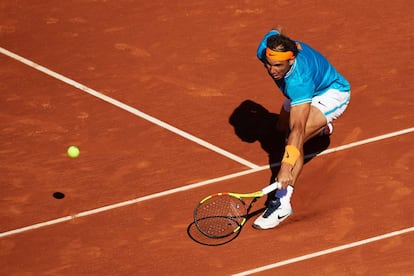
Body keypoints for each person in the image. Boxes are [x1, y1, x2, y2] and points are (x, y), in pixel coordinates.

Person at [252, 25, 351, 230]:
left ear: (291, 60)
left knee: (292, 138)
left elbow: (297, 129)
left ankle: (282, 203)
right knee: (279, 128)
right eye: (268, 64)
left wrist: (285, 169)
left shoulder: (300, 81)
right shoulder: (267, 47)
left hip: (330, 94)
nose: (272, 70)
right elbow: (276, 29)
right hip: (300, 96)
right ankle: (323, 129)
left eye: (278, 65)